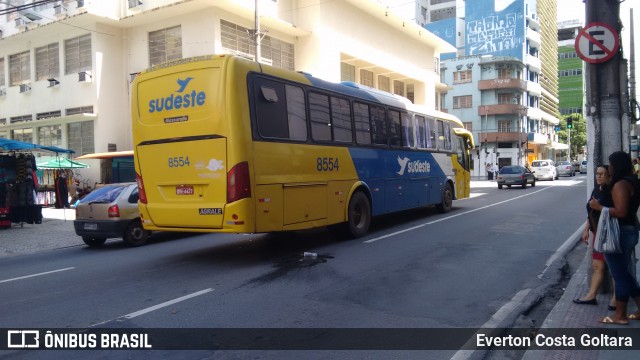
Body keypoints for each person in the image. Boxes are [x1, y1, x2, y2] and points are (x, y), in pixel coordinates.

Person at [589, 151, 640, 324]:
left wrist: (599, 207)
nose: (609, 167)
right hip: (630, 230)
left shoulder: (621, 185)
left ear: (617, 165)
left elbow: (621, 211)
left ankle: (620, 315)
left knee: (619, 276)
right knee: (624, 273)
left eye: (611, 164)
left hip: (619, 233)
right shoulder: (633, 181)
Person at [573, 165, 616, 309]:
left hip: (610, 233)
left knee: (615, 268)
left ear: (609, 176)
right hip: (597, 232)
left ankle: (616, 300)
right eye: (598, 173)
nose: (599, 176)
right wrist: (586, 230)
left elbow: (618, 211)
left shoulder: (613, 191)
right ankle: (591, 295)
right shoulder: (597, 189)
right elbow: (591, 213)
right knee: (597, 265)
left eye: (603, 174)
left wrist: (599, 207)